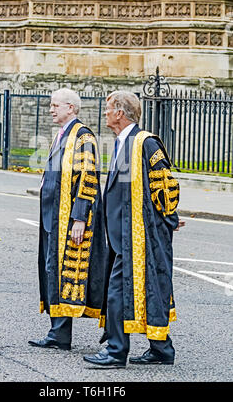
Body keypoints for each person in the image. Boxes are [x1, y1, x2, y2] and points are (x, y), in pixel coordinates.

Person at [83, 90, 182, 367]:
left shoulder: (144, 143)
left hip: (137, 235)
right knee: (146, 289)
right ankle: (161, 350)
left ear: (120, 112)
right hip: (120, 234)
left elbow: (165, 182)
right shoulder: (121, 143)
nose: (104, 113)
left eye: (107, 108)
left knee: (119, 291)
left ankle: (116, 352)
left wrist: (169, 217)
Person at [28, 88, 106, 351]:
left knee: (62, 271)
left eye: (55, 105)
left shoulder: (83, 136)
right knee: (52, 270)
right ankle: (58, 333)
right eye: (51, 105)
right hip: (52, 216)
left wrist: (80, 218)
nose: (51, 109)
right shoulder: (62, 134)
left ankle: (61, 333)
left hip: (67, 218)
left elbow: (88, 178)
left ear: (71, 108)